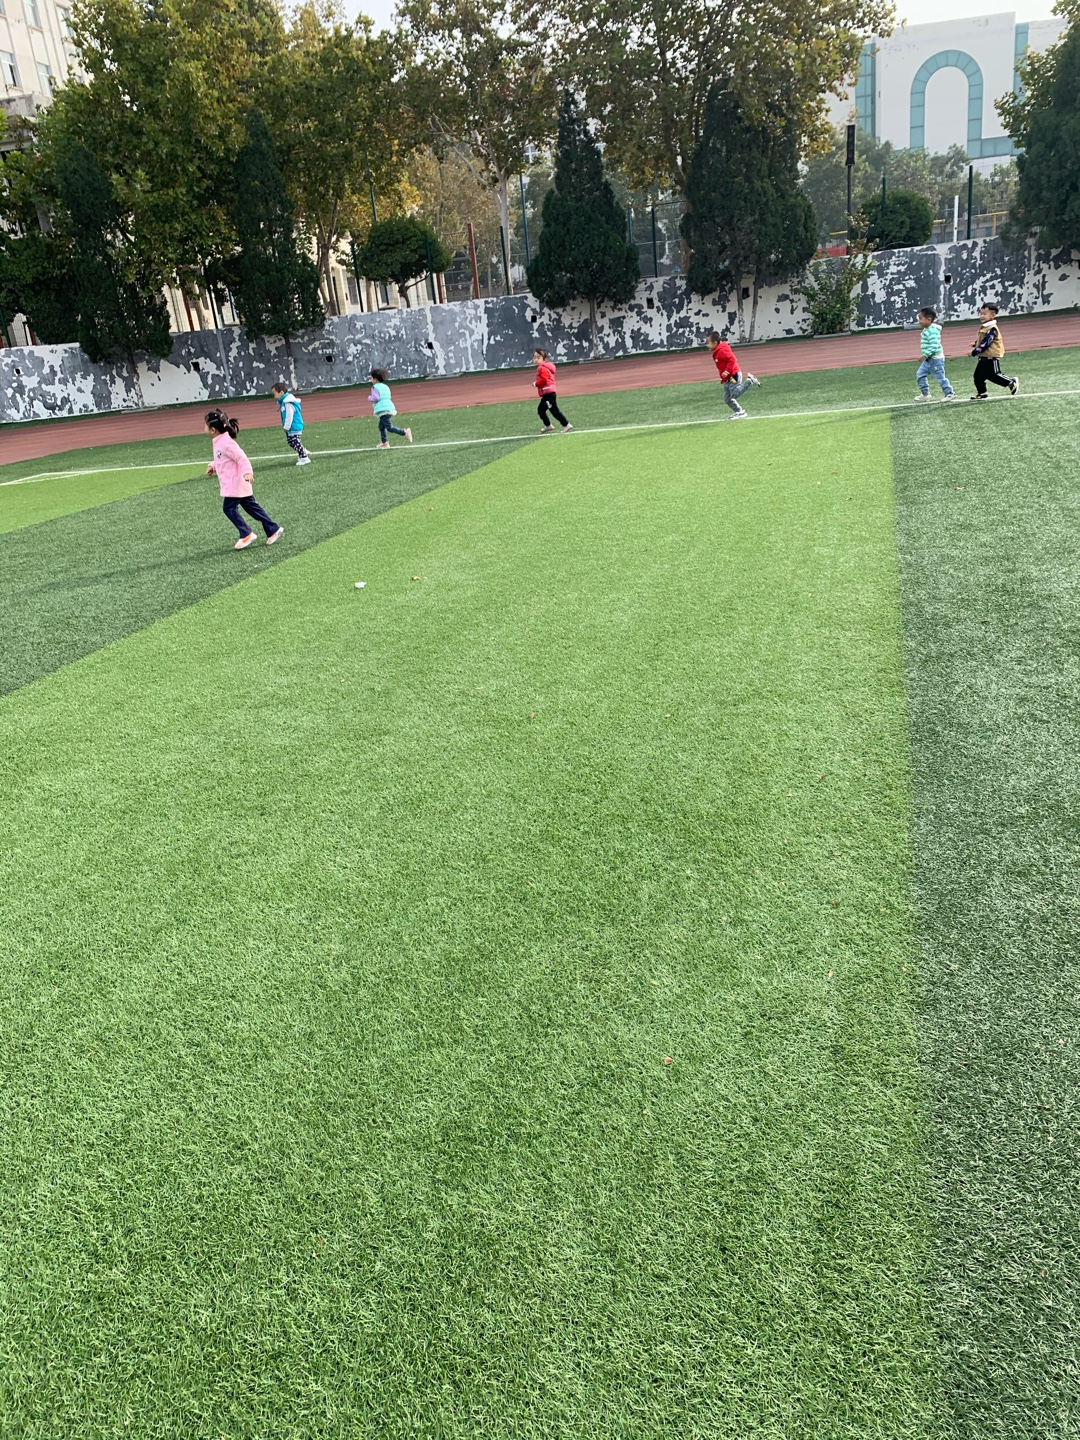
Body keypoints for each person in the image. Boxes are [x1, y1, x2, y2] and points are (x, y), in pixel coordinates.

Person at [204, 408, 284, 550]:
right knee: (253, 509)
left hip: (235, 484)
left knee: (228, 508)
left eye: (205, 425)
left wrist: (248, 472)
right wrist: (213, 465)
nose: (204, 428)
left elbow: (242, 458)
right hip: (238, 484)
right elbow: (223, 459)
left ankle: (246, 533)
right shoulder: (220, 441)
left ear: (213, 430)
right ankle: (273, 529)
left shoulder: (226, 443)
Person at [969, 303, 1019, 400]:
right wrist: (976, 343)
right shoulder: (985, 327)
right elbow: (983, 340)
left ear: (993, 315)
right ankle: (982, 393)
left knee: (994, 375)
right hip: (984, 357)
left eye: (984, 314)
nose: (982, 316)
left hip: (991, 356)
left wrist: (974, 352)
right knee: (978, 376)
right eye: (981, 313)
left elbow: (986, 343)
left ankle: (1011, 382)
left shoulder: (992, 328)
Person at [706, 330, 759, 418]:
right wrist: (723, 377)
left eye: (708, 343)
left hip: (733, 375)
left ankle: (749, 381)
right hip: (727, 378)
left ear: (715, 343)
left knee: (734, 394)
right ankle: (739, 412)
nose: (707, 345)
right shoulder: (717, 351)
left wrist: (727, 371)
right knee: (727, 398)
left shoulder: (722, 351)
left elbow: (732, 359)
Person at [915, 307, 955, 401]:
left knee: (940, 378)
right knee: (920, 374)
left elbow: (934, 345)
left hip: (936, 360)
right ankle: (925, 394)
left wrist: (925, 355)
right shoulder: (927, 330)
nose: (919, 321)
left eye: (920, 318)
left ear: (929, 320)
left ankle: (950, 393)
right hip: (929, 359)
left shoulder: (932, 331)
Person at [368, 368, 413, 449]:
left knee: (389, 427)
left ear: (375, 378)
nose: (371, 379)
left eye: (371, 378)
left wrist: (370, 398)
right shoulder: (385, 386)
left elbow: (376, 398)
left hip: (383, 410)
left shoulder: (375, 387)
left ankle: (404, 432)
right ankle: (384, 442)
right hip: (389, 408)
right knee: (381, 427)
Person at [270, 381, 311, 465]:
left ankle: (304, 457)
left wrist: (287, 427)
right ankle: (303, 451)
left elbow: (289, 416)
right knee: (291, 441)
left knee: (294, 441)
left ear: (281, 392)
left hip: (294, 426)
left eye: (275, 394)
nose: (274, 396)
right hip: (293, 426)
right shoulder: (284, 402)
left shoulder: (288, 403)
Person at [533, 349, 572, 433]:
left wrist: (536, 384)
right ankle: (548, 425)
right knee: (541, 410)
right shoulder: (543, 367)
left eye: (538, 358)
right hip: (547, 393)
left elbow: (544, 379)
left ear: (544, 359)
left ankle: (566, 424)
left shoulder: (542, 368)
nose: (536, 359)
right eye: (535, 357)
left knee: (554, 410)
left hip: (548, 393)